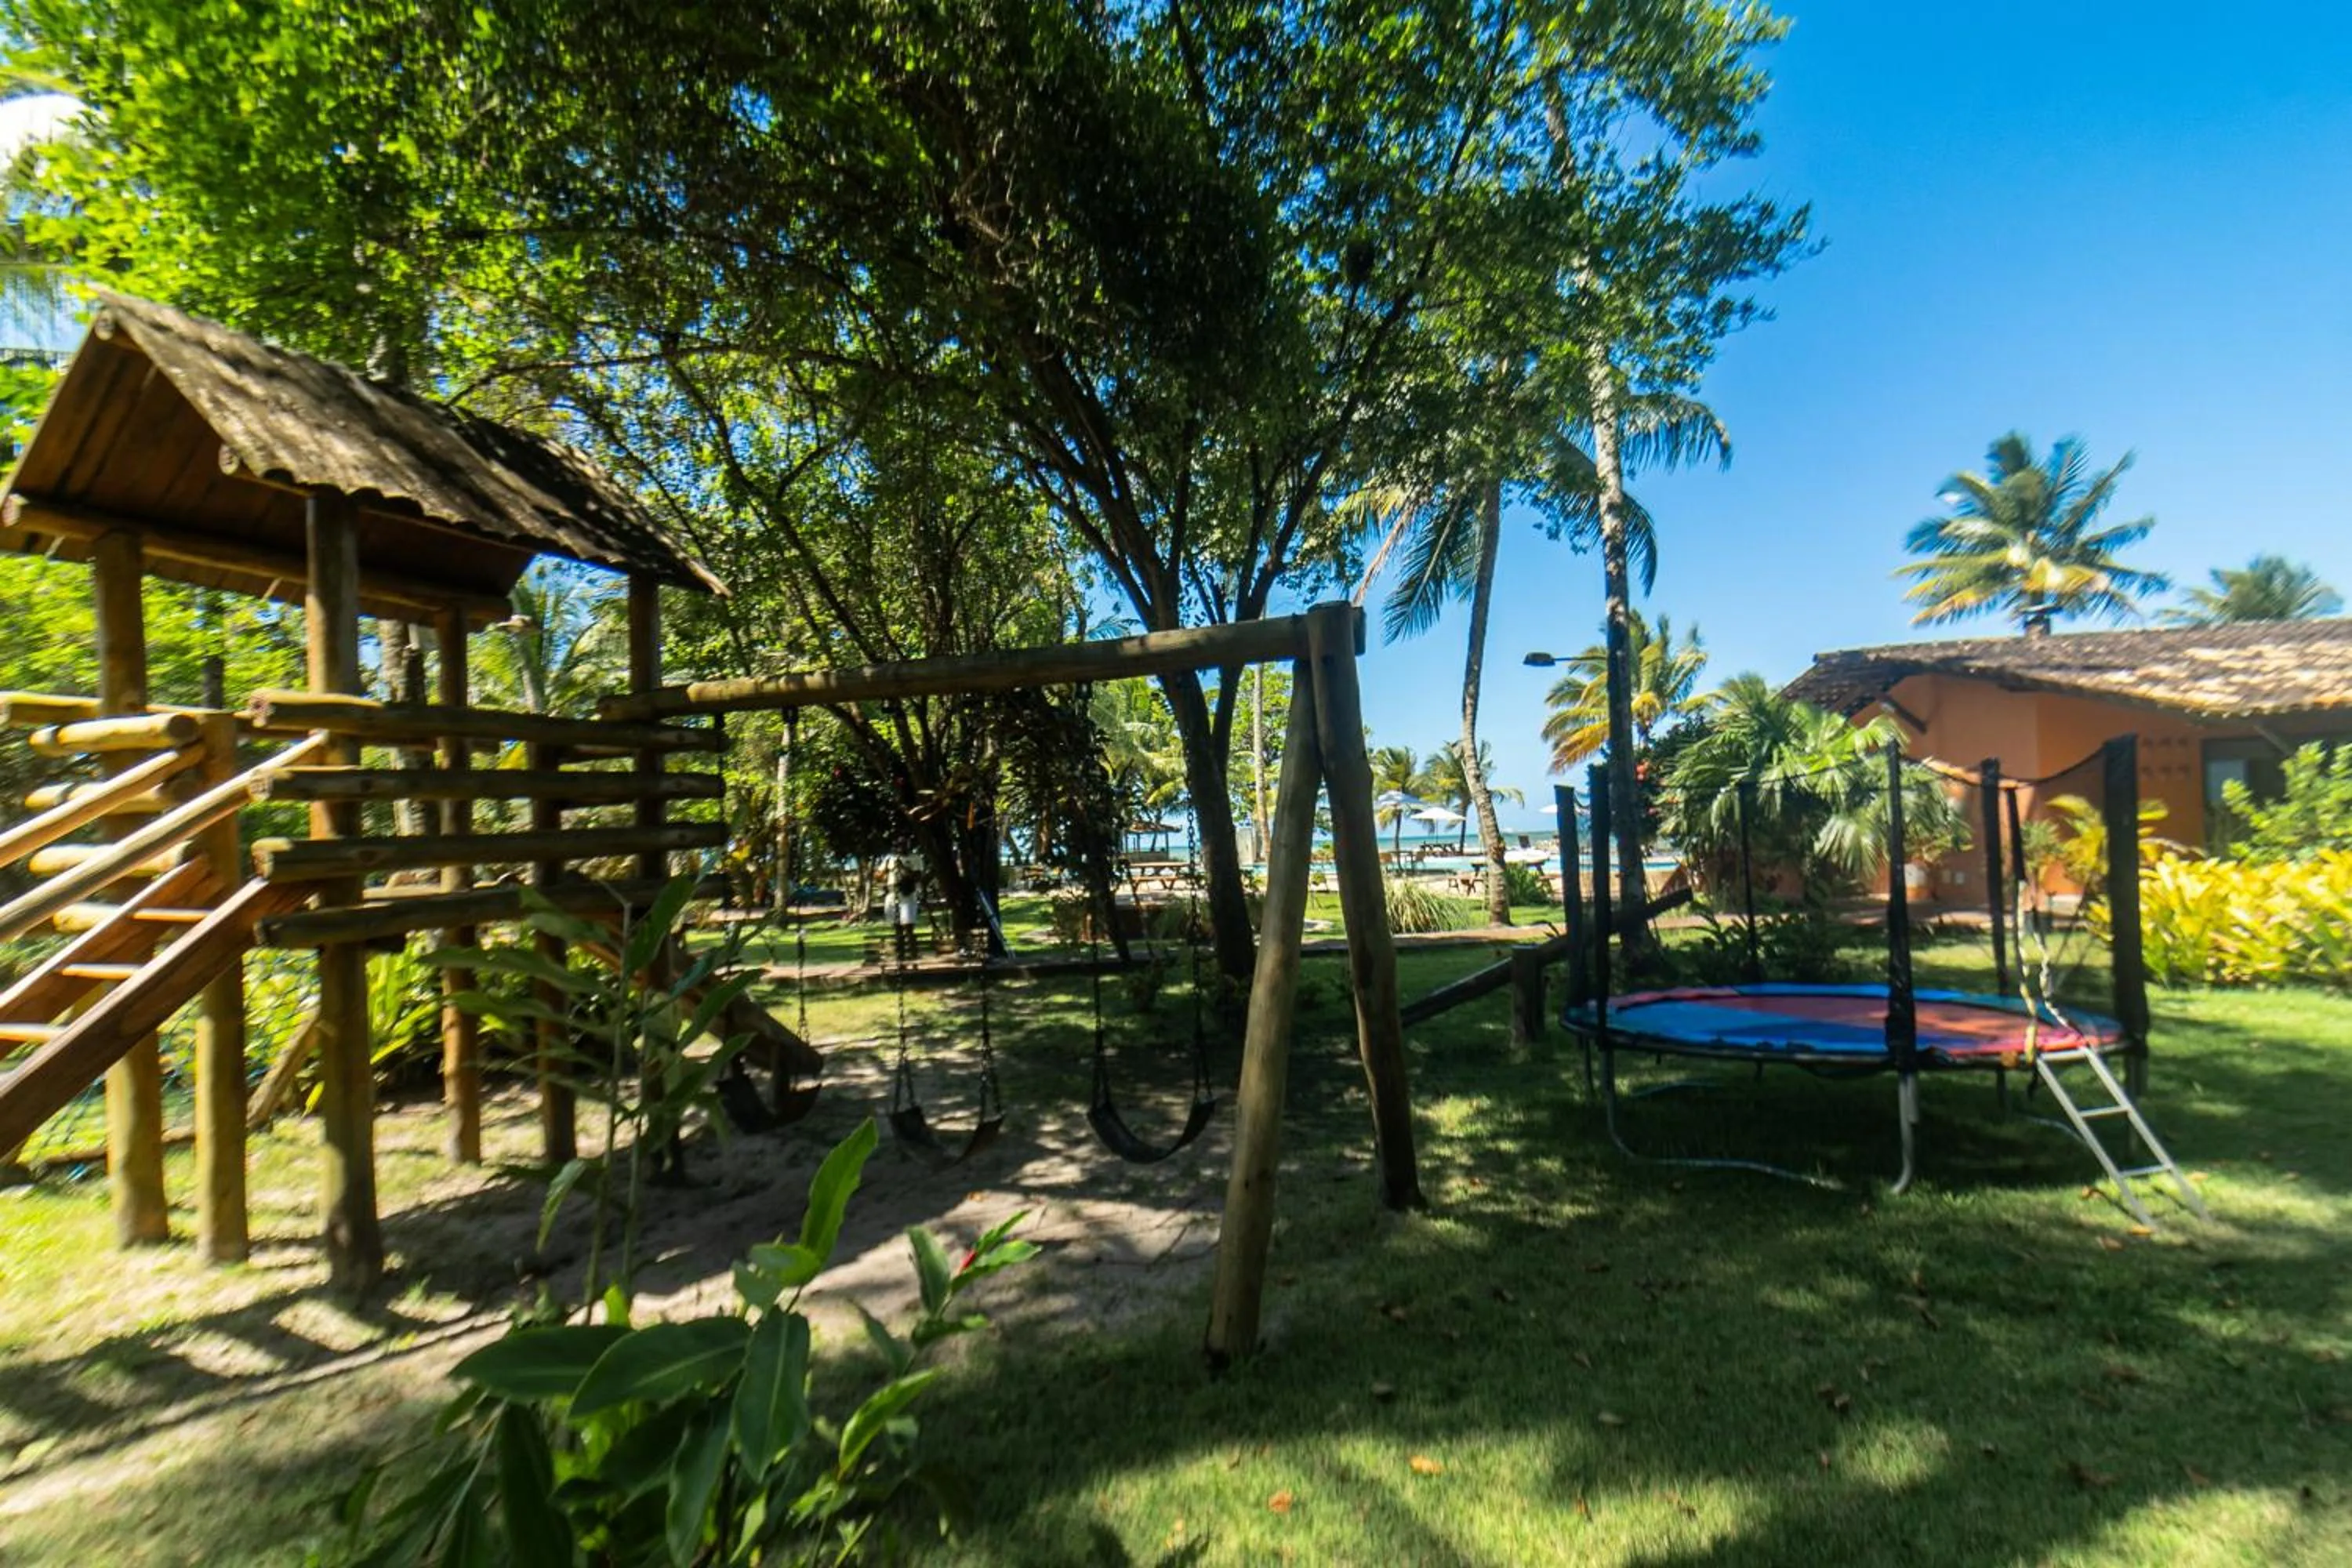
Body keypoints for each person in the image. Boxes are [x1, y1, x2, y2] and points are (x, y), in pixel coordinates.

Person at [888, 848, 926, 962]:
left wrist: (902, 867)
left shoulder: (915, 858)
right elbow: (879, 875)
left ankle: (913, 955)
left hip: (907, 894)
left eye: (902, 844)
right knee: (897, 927)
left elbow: (917, 877)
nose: (899, 847)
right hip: (893, 894)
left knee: (908, 927)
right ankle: (900, 957)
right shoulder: (891, 859)